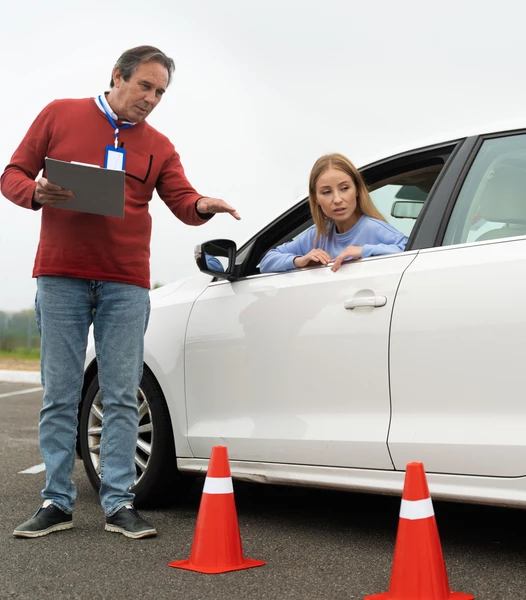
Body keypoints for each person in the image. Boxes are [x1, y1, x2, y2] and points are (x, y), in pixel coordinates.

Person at [1, 45, 240, 539]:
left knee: (122, 395)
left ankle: (118, 502)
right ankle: (56, 501)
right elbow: (12, 175)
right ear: (117, 76)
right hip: (61, 276)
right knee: (61, 393)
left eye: (160, 92)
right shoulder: (59, 114)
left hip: (125, 283)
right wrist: (35, 192)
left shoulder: (159, 145)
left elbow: (182, 199)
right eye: (145, 86)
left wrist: (203, 204)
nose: (151, 98)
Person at [259, 153, 407, 274]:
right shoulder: (317, 235)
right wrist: (300, 260)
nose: (337, 199)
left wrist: (363, 251)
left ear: (357, 190)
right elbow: (266, 261)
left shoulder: (374, 228)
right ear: (316, 198)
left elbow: (411, 250)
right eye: (326, 192)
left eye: (344, 188)